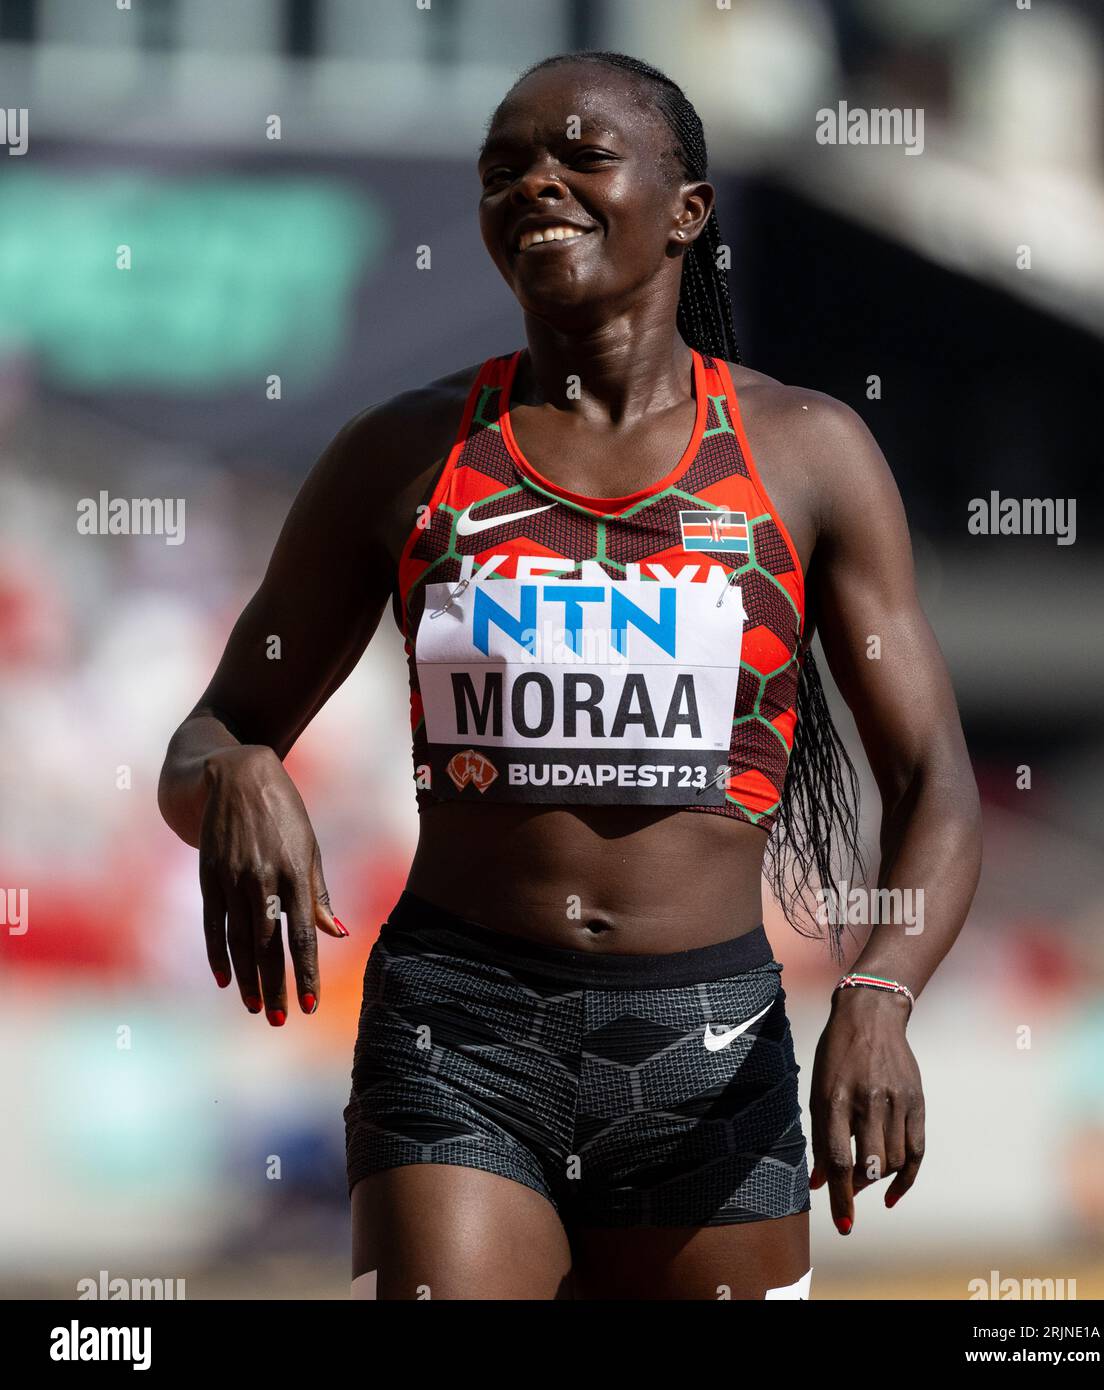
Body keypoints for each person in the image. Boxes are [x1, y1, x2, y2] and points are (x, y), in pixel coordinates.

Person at [158, 51, 981, 1301]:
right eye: (503, 167)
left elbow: (934, 784)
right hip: (459, 1033)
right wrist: (236, 773)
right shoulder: (399, 452)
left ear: (685, 211)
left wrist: (878, 993)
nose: (535, 181)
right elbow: (208, 733)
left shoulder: (805, 454)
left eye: (581, 154)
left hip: (708, 1046)